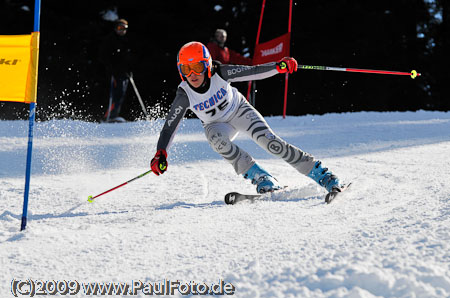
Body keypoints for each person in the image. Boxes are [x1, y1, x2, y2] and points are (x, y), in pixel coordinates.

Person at [150, 41, 343, 195]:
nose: (192, 74)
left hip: (239, 111)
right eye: (186, 69)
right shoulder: (184, 95)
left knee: (270, 143)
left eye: (197, 67)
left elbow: (253, 72)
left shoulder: (221, 73)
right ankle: (262, 178)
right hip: (216, 125)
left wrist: (279, 67)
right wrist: (161, 153)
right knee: (216, 141)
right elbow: (169, 127)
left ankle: (322, 174)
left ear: (207, 65)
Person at [98, 18, 134, 122]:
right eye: (119, 28)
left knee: (121, 94)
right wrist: (110, 68)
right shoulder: (110, 40)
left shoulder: (126, 40)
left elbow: (129, 57)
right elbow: (104, 56)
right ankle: (108, 116)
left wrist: (129, 69)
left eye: (124, 28)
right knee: (114, 94)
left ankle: (114, 115)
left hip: (124, 73)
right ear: (115, 28)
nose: (122, 30)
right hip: (114, 73)